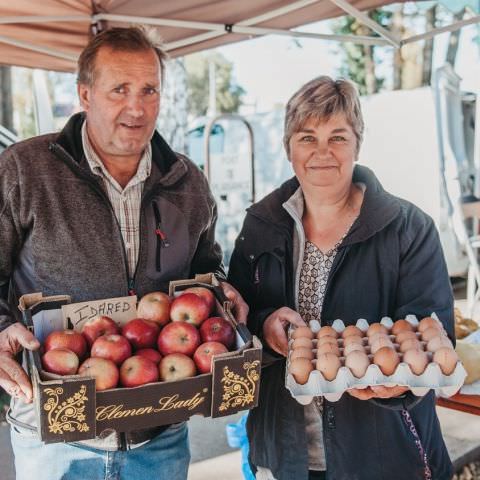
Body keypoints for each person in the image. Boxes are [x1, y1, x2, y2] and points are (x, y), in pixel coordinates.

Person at [0, 26, 247, 480]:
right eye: (120, 90)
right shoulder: (24, 170)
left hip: (160, 433)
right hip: (53, 436)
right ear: (85, 95)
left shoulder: (186, 181)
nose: (137, 107)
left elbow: (205, 271)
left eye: (149, 90)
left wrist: (222, 292)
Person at [227, 76, 454, 480]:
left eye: (338, 137)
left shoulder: (407, 229)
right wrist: (262, 322)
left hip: (382, 454)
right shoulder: (259, 226)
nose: (322, 153)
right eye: (307, 137)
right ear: (288, 147)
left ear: (357, 144)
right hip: (288, 453)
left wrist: (399, 383)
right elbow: (234, 322)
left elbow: (433, 337)